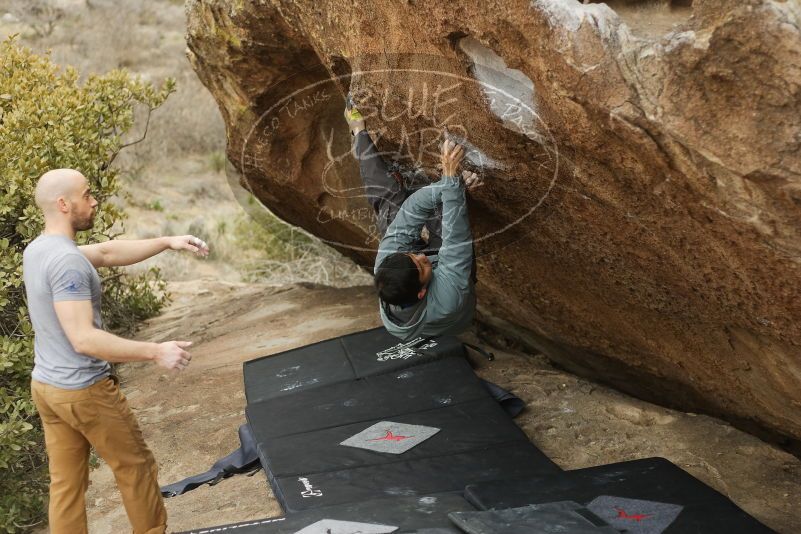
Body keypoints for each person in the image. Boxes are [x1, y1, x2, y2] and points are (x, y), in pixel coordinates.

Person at [23, 168, 210, 534]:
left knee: (66, 485)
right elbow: (83, 339)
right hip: (84, 391)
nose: (94, 201)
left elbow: (107, 252)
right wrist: (155, 351)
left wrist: (168, 240)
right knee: (135, 467)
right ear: (64, 204)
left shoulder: (39, 249)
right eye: (87, 194)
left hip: (48, 388)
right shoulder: (67, 262)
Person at [345, 98, 482, 341]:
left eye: (411, 256)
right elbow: (455, 241)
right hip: (452, 295)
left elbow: (411, 211)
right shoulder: (448, 297)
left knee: (389, 203)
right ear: (421, 292)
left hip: (428, 282)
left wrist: (450, 184)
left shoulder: (387, 265)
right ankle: (456, 193)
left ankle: (359, 134)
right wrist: (452, 183)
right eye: (421, 265)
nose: (421, 256)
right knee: (446, 215)